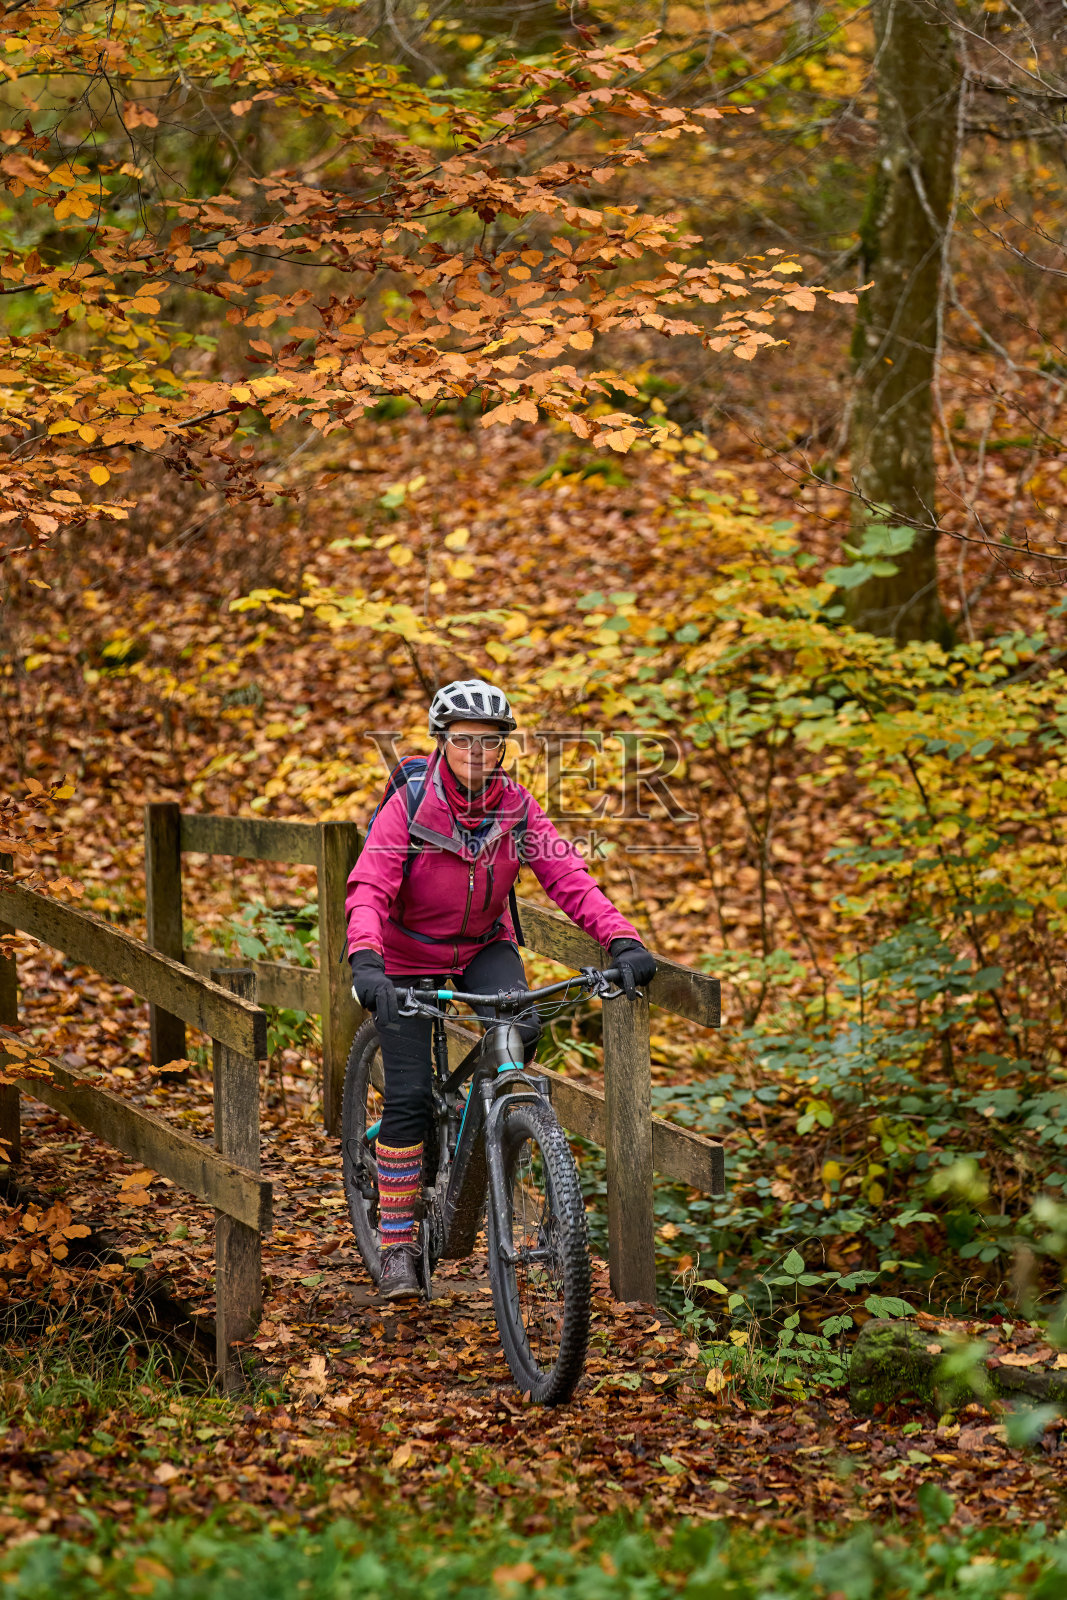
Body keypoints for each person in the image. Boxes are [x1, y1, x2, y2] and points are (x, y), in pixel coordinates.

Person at [345, 678, 658, 1300]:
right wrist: (366, 962)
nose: (476, 753)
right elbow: (370, 886)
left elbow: (567, 874)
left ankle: (485, 1122)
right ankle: (400, 1243)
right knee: (407, 1096)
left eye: (489, 743)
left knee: (521, 1029)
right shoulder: (409, 804)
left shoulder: (516, 808)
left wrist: (621, 940)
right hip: (404, 956)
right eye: (463, 741)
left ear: (504, 749)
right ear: (442, 743)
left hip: (482, 946)